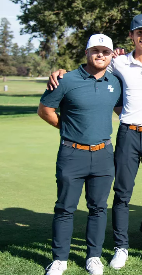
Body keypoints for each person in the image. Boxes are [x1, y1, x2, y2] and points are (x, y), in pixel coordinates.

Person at [48, 14, 142, 268]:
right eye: (139, 32)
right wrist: (59, 73)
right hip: (127, 134)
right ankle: (121, 247)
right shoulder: (117, 62)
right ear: (131, 36)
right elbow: (90, 68)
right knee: (122, 194)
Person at [39, 34, 122, 275]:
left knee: (98, 208)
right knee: (65, 208)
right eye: (95, 50)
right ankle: (60, 259)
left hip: (104, 154)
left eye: (105, 52)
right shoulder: (66, 79)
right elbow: (45, 110)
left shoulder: (114, 81)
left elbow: (124, 106)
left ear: (111, 55)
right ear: (86, 53)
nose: (100, 55)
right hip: (72, 153)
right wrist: (66, 128)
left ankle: (94, 257)